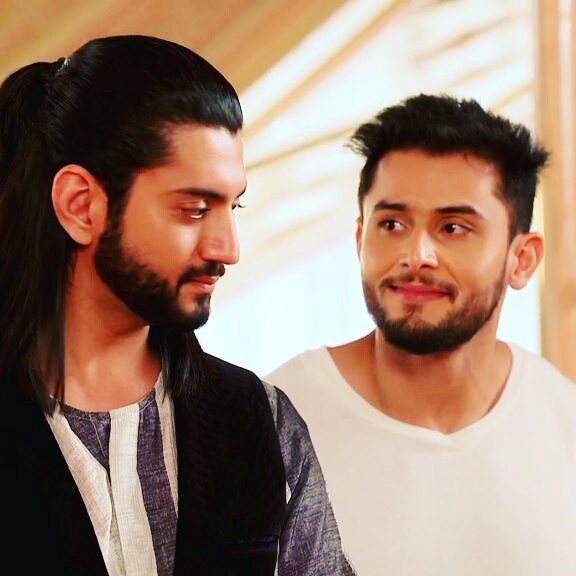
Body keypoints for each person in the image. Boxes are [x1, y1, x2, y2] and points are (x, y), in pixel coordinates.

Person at [0, 35, 355, 576]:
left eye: (234, 207)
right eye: (194, 209)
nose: (228, 248)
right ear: (81, 206)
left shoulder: (260, 422)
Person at [265, 94, 576, 575]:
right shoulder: (275, 421)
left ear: (522, 259)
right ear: (360, 238)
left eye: (453, 227)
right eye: (392, 224)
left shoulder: (562, 421)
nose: (416, 255)